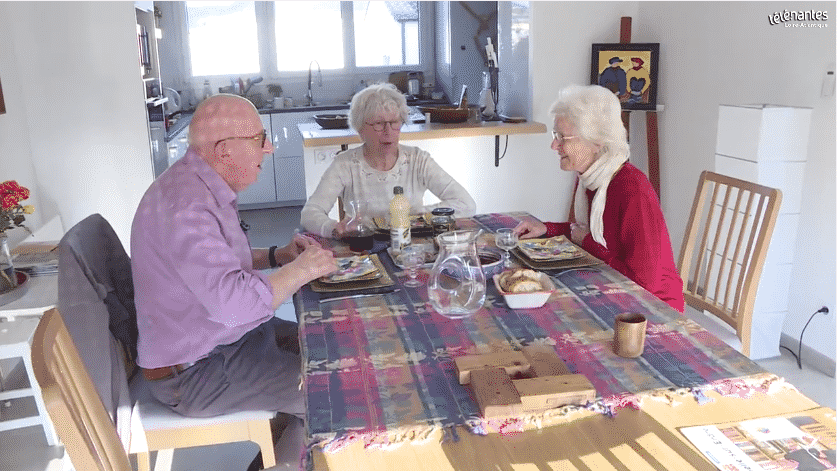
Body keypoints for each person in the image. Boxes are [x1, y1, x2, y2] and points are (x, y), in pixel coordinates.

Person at [131, 94, 338, 419]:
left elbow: (215, 266)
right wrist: (300, 270)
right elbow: (234, 305)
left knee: (335, 343)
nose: (268, 148)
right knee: (337, 387)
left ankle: (294, 447)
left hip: (220, 344)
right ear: (225, 149)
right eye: (259, 140)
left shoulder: (196, 185)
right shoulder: (188, 207)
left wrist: (277, 255)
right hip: (195, 372)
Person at [513, 85, 684, 312]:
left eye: (562, 137)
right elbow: (589, 233)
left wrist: (588, 244)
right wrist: (547, 228)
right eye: (556, 136)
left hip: (652, 312)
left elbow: (644, 284)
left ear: (596, 142)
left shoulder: (632, 190)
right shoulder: (591, 177)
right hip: (615, 293)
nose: (554, 145)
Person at [300, 82, 476, 238]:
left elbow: (466, 204)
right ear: (360, 129)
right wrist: (334, 228)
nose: (388, 131)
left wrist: (415, 215)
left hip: (410, 246)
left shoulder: (417, 159)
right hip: (364, 247)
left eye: (394, 122)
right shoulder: (345, 164)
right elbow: (310, 213)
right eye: (378, 123)